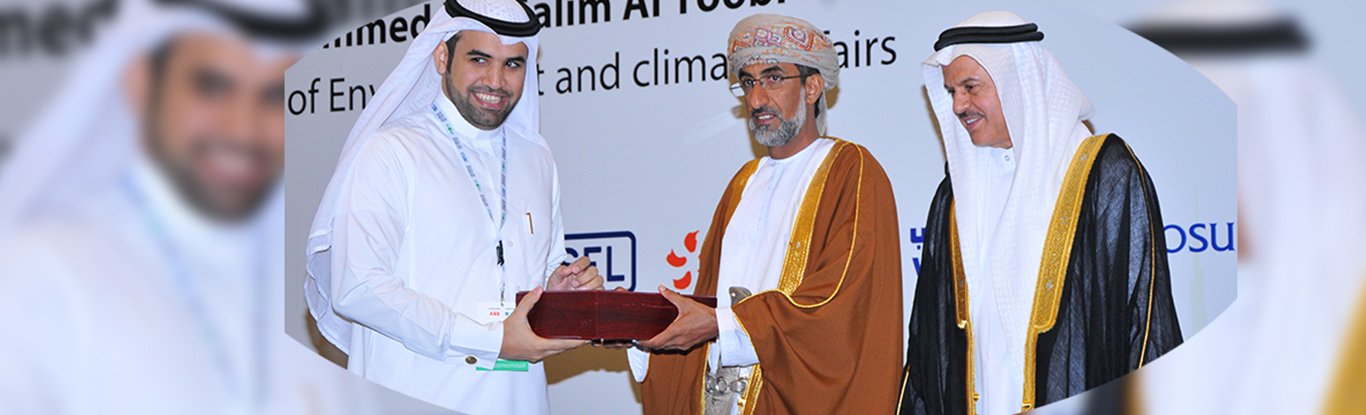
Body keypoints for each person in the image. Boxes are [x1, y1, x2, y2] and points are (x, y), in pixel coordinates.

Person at [0, 0, 377, 414]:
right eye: (212, 87)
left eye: (273, 95)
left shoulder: (313, 290)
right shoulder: (43, 274)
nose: (243, 129)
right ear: (141, 82)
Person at [301, 0, 602, 413]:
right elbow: (358, 287)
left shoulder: (536, 157)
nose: (496, 80)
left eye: (513, 65)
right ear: (442, 56)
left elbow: (541, 267)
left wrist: (556, 293)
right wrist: (490, 340)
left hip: (520, 399)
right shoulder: (392, 151)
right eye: (479, 59)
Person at [898, 10, 1183, 415]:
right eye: (951, 91)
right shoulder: (954, 197)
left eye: (970, 87)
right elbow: (930, 347)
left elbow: (1144, 322)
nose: (959, 105)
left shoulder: (1103, 175)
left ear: (1018, 83)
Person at [627, 13, 904, 415]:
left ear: (812, 87)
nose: (756, 100)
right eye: (748, 82)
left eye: (773, 78)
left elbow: (840, 308)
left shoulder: (851, 170)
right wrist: (640, 325)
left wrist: (722, 324)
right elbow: (707, 304)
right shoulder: (743, 183)